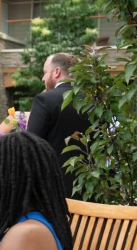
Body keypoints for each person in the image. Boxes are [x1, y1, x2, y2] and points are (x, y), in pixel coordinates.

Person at [26, 53, 91, 198]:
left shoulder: (45, 100)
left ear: (56, 72)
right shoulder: (94, 100)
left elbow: (30, 144)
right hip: (91, 190)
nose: (43, 78)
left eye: (44, 73)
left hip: (54, 190)